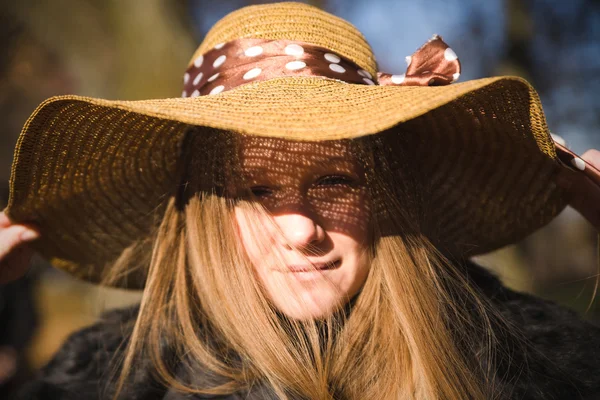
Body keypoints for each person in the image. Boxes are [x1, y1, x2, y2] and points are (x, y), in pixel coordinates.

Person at [2, 2, 600, 399]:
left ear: (386, 192)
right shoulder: (114, 378)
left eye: (336, 182)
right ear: (207, 209)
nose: (299, 232)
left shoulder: (520, 359)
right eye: (257, 190)